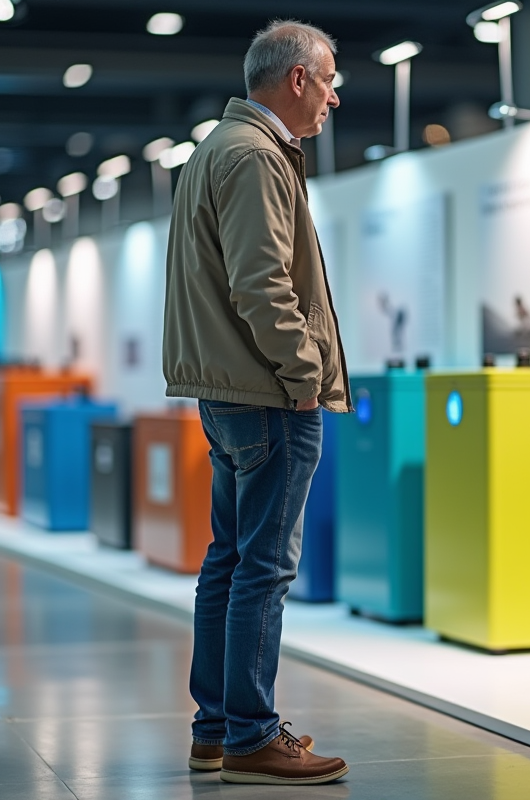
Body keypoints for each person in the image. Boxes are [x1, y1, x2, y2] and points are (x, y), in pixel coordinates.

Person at [162, 19, 350, 786]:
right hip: (268, 395)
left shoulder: (223, 148)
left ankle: (218, 729)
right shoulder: (252, 156)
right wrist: (304, 376)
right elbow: (262, 283)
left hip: (234, 391)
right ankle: (251, 735)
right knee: (263, 568)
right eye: (330, 79)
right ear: (297, 78)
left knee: (231, 561)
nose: (335, 97)